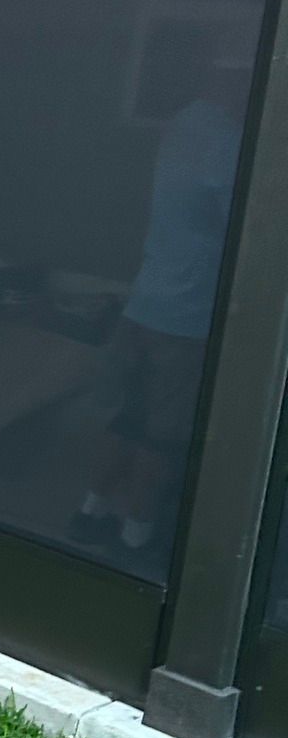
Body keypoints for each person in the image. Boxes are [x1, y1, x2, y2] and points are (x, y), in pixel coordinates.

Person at [71, 52, 250, 563]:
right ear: (233, 79)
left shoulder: (182, 125)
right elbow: (235, 219)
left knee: (126, 417)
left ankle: (89, 512)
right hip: (187, 321)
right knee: (162, 434)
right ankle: (136, 534)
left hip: (144, 306)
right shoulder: (229, 141)